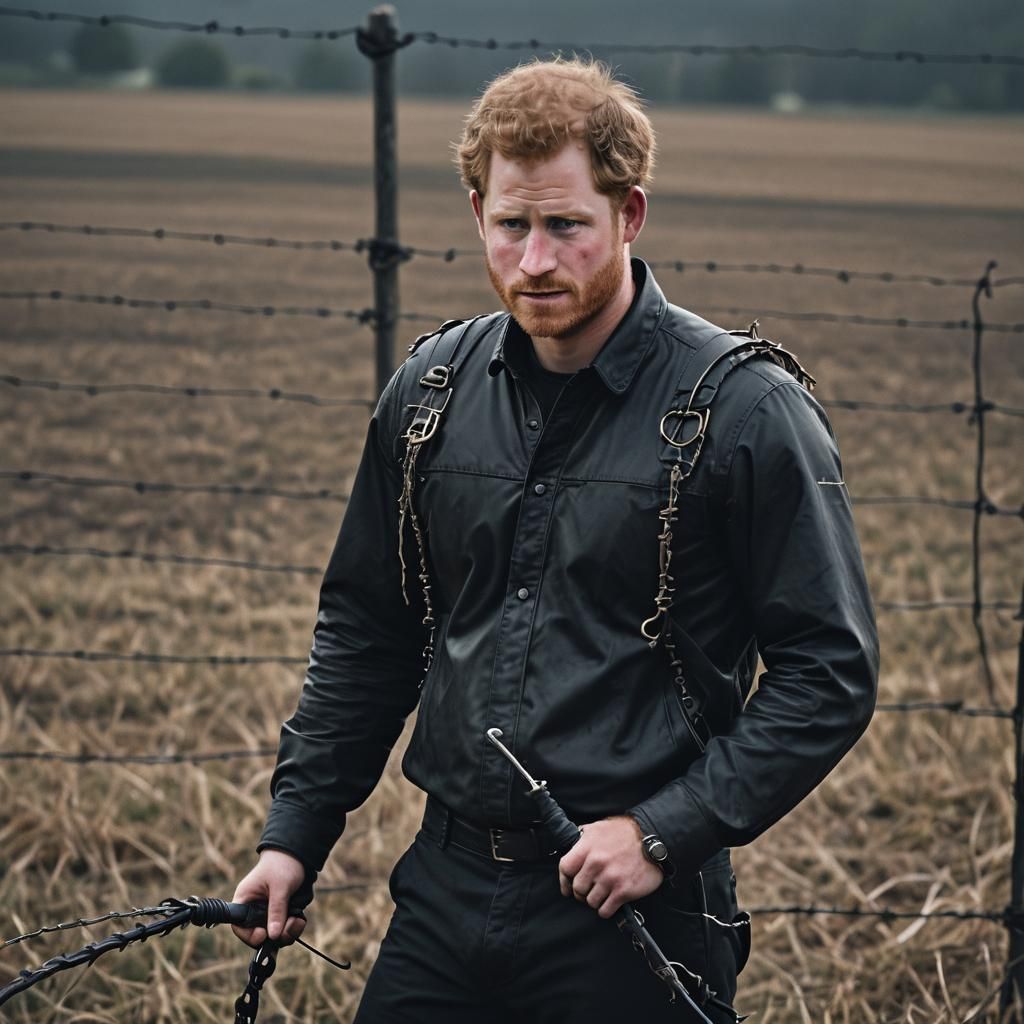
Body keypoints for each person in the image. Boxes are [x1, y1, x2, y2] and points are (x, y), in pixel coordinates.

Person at [231, 58, 879, 1023]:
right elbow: (370, 630)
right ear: (479, 216)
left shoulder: (744, 411)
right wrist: (294, 835)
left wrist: (661, 833)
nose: (534, 260)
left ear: (630, 214)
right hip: (444, 892)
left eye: (566, 226)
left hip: (637, 912)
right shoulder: (430, 396)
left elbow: (828, 669)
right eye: (510, 225)